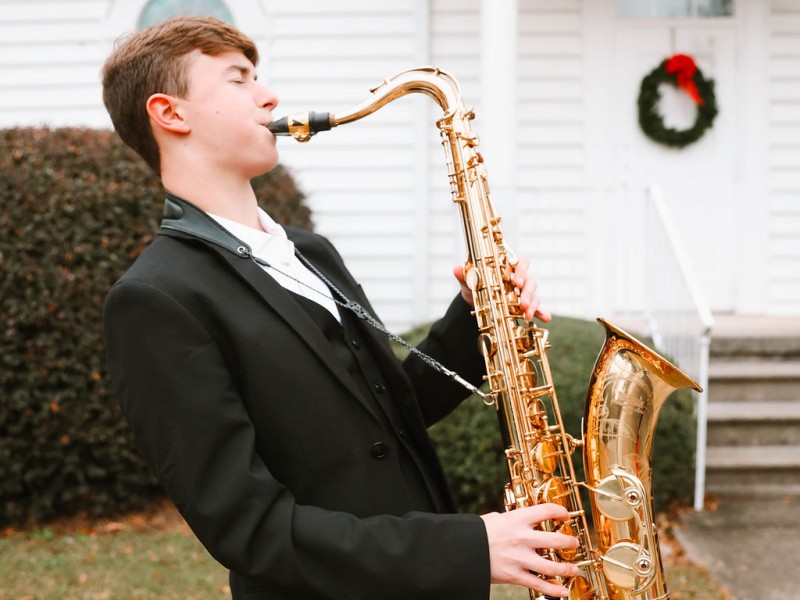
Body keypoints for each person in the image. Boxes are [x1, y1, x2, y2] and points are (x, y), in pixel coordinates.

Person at [101, 15, 579, 600]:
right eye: (238, 80)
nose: (269, 95)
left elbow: (382, 416)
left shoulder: (308, 251)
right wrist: (466, 548)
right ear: (170, 113)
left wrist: (478, 317)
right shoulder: (155, 299)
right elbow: (249, 529)